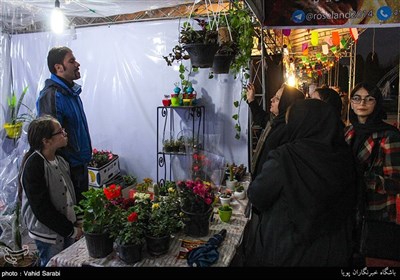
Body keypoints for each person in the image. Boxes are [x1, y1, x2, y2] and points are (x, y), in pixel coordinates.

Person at [246, 99, 356, 266]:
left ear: (301, 124)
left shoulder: (285, 157)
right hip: (335, 250)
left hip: (288, 248)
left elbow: (257, 195)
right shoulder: (346, 157)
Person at [345, 82, 400, 261]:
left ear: (377, 103)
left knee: (369, 258)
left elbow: (395, 182)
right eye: (357, 98)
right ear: (351, 103)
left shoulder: (389, 135)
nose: (362, 103)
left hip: (376, 211)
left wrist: (360, 178)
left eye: (369, 99)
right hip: (349, 210)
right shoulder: (349, 132)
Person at [20, 115, 83, 267]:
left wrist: (79, 220)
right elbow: (42, 209)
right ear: (46, 141)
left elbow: (73, 192)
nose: (64, 133)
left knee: (67, 261)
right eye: (60, 131)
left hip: (66, 226)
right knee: (51, 263)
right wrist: (70, 230)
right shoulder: (34, 165)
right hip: (48, 234)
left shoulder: (61, 159)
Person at [37, 46, 92, 203]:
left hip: (79, 166)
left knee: (82, 215)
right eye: (72, 61)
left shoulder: (71, 93)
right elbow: (50, 139)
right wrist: (62, 170)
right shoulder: (52, 96)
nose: (77, 64)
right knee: (73, 216)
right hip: (67, 170)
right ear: (58, 67)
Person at [246, 83, 304, 179]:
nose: (271, 99)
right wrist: (251, 100)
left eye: (277, 98)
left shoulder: (287, 129)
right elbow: (262, 118)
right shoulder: (275, 121)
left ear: (286, 103)